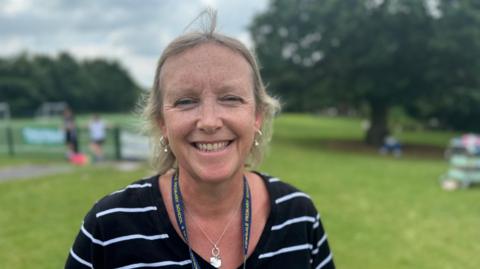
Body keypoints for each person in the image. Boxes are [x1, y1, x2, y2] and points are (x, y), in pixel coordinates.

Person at [65, 10, 335, 269]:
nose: (209, 121)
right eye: (185, 101)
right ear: (162, 122)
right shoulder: (109, 227)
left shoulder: (299, 216)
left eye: (230, 98)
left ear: (257, 117)